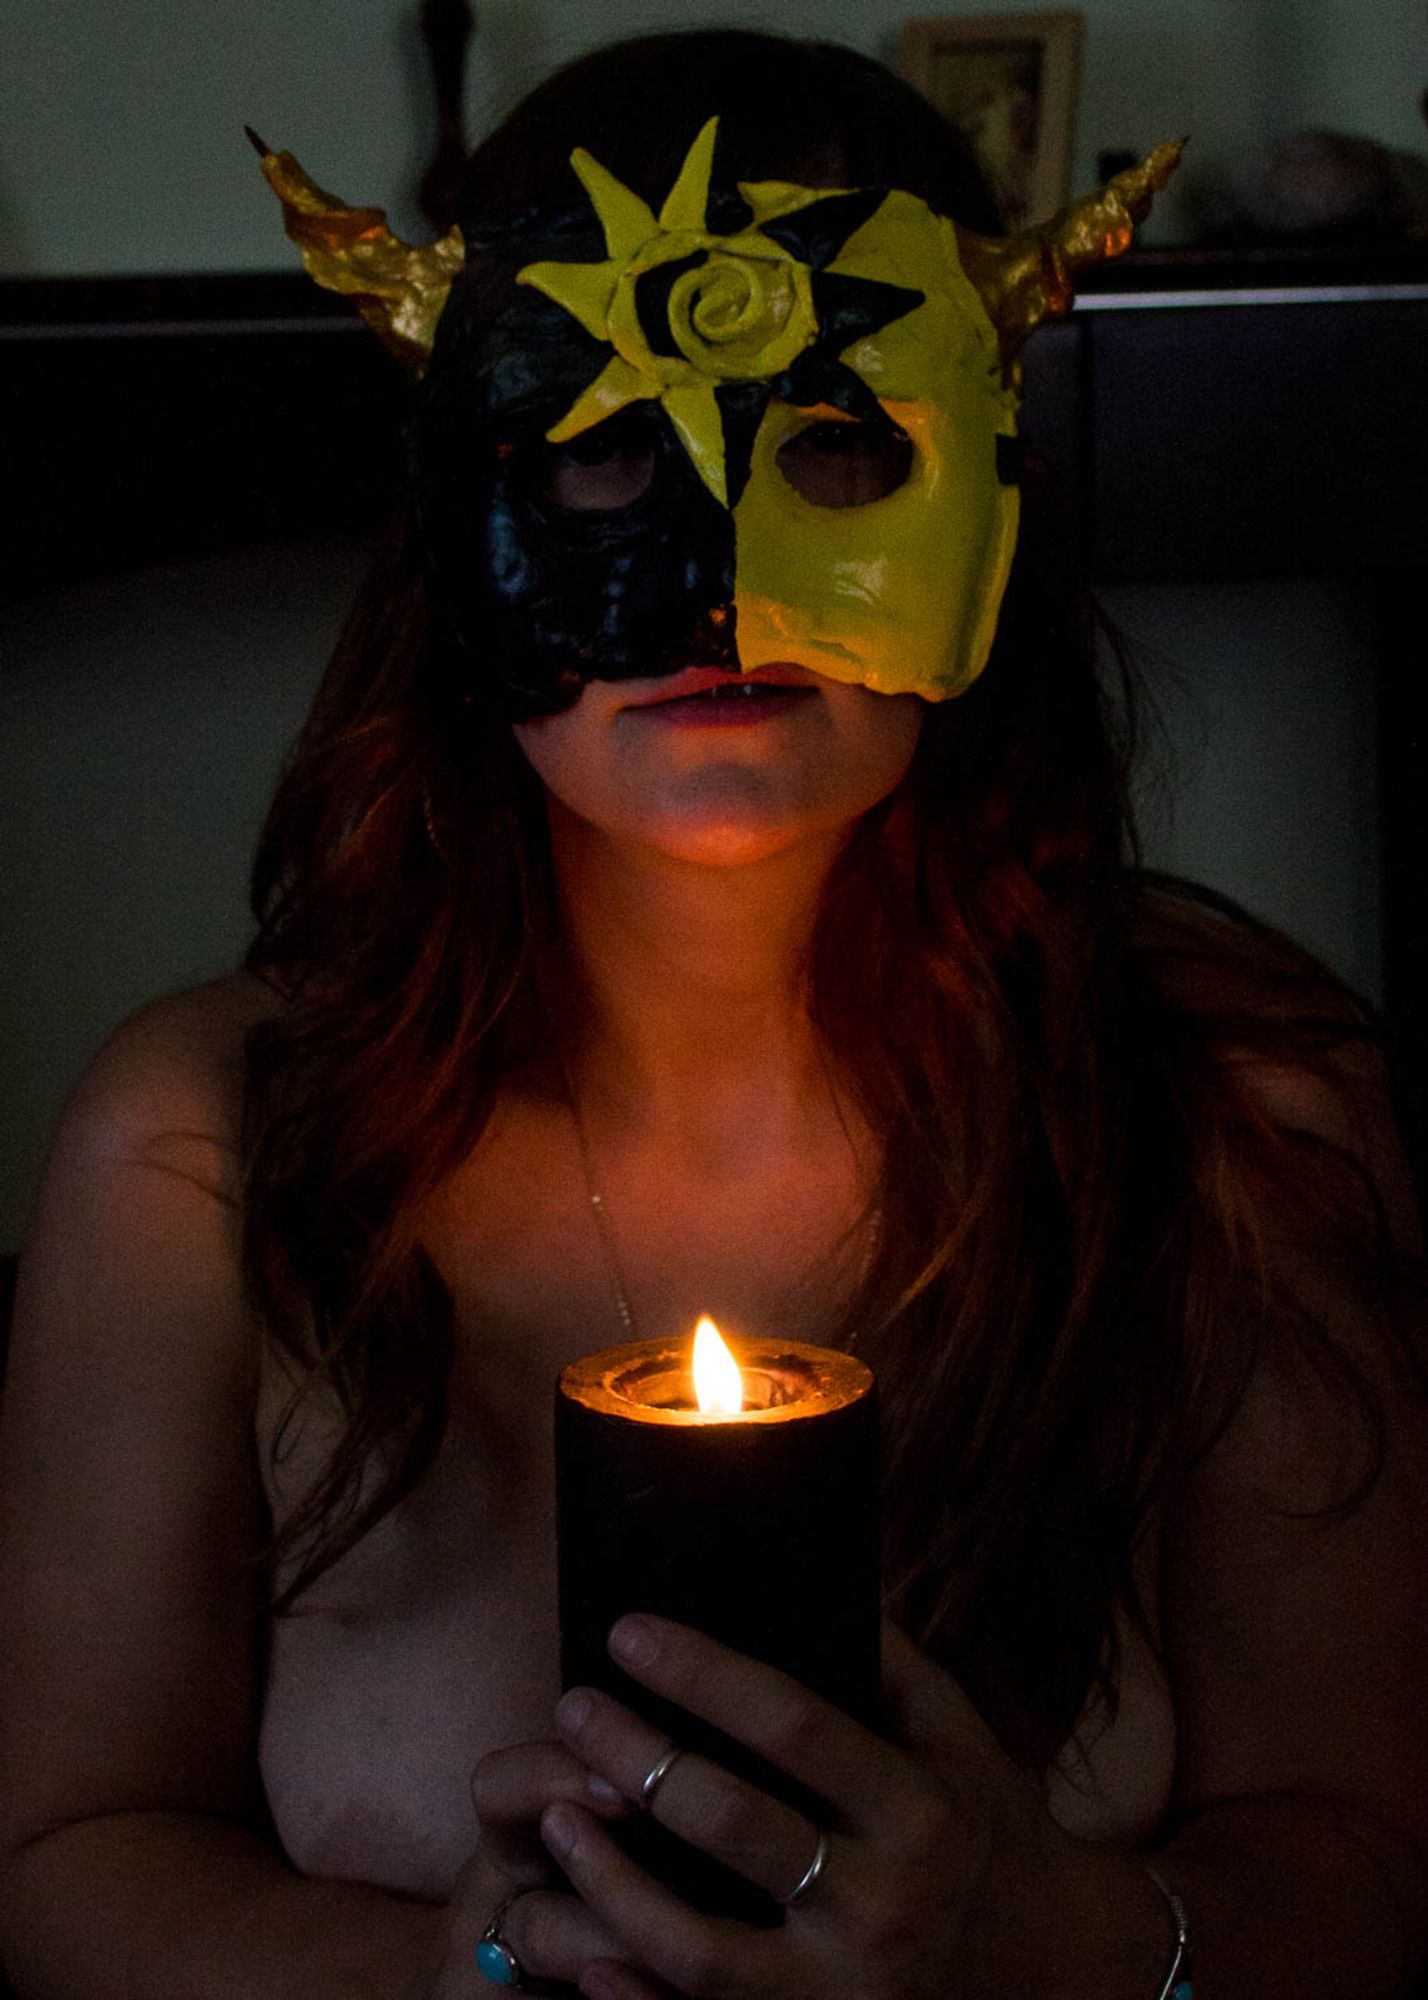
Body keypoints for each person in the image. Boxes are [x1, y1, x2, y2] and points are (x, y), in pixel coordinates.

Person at [1, 28, 1426, 2000]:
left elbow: (1361, 1864)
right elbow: (73, 1854)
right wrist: (451, 1976)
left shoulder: (1236, 1112)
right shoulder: (200, 1155)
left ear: (991, 502)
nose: (722, 583)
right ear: (452, 513)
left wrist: (1068, 1943)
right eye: (601, 443)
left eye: (841, 442)